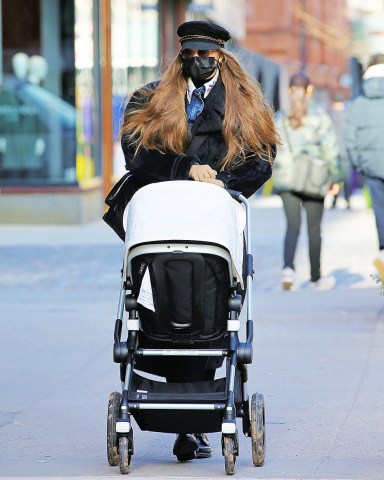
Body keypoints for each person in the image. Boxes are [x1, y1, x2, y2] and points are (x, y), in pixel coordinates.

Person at [118, 20, 279, 461]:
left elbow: (262, 160)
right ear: (181, 56)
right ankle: (180, 413)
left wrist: (222, 183)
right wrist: (186, 168)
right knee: (160, 309)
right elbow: (136, 152)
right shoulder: (149, 98)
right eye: (189, 55)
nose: (197, 62)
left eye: (206, 55)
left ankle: (196, 421)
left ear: (221, 56)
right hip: (162, 224)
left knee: (210, 310)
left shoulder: (243, 102)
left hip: (212, 224)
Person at [273, 72, 340, 291]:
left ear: (289, 90)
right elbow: (331, 148)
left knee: (292, 227)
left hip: (287, 179)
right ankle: (315, 278)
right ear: (309, 90)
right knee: (314, 229)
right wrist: (335, 177)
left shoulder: (280, 116)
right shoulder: (320, 115)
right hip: (314, 177)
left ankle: (288, 271)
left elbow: (272, 148)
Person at [344, 53, 384, 280]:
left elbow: (350, 138)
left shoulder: (359, 102)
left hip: (371, 166)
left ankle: (383, 252)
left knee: (380, 211)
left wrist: (359, 162)